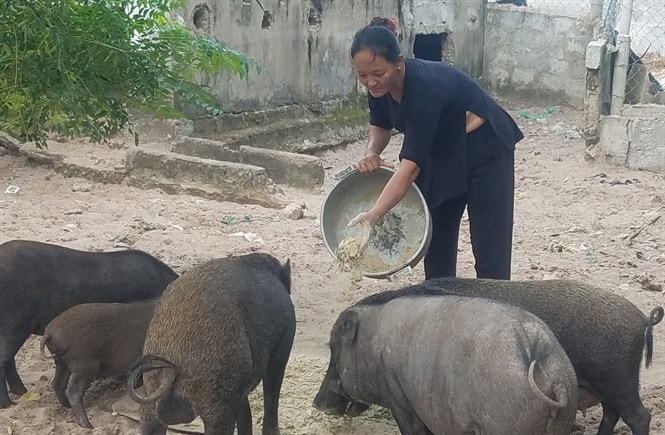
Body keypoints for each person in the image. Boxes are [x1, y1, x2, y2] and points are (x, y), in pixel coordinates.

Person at [347, 19, 523, 280]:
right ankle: (439, 303)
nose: (371, 83)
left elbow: (409, 170)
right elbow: (381, 125)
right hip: (443, 148)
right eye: (362, 76)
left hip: (485, 147)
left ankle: (496, 309)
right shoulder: (380, 89)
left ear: (399, 62)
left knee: (489, 250)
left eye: (378, 74)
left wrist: (373, 216)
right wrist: (372, 152)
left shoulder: (423, 89)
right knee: (436, 241)